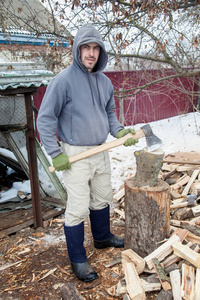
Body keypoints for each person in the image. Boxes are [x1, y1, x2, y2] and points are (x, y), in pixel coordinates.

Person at [37, 24, 138, 282]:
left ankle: (102, 238)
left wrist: (119, 132)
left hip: (101, 150)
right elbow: (46, 120)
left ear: (100, 51)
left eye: (96, 48)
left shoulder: (105, 82)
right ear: (77, 49)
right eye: (86, 47)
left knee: (102, 198)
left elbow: (110, 114)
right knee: (78, 207)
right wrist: (54, 152)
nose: (91, 53)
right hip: (75, 155)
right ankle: (78, 258)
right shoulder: (62, 81)